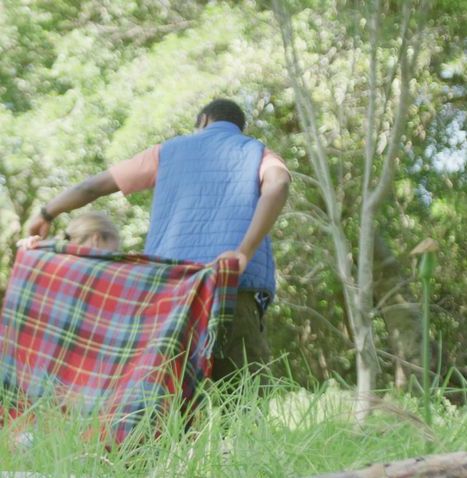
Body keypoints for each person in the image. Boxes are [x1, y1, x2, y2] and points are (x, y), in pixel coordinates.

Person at [26, 98, 291, 390]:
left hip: (172, 292)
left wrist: (46, 213)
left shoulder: (166, 153)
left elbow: (91, 187)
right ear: (240, 128)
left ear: (203, 121)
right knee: (245, 395)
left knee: (170, 396)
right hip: (234, 285)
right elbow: (278, 184)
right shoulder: (258, 152)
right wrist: (243, 253)